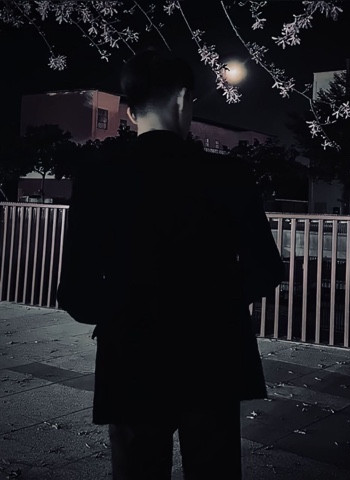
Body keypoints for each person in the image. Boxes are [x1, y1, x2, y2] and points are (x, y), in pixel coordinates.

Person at [56, 46, 285, 479]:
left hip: (131, 357)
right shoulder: (229, 176)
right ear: (183, 100)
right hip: (213, 354)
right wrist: (217, 302)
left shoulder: (98, 176)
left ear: (129, 112)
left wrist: (123, 311)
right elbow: (266, 269)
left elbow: (76, 291)